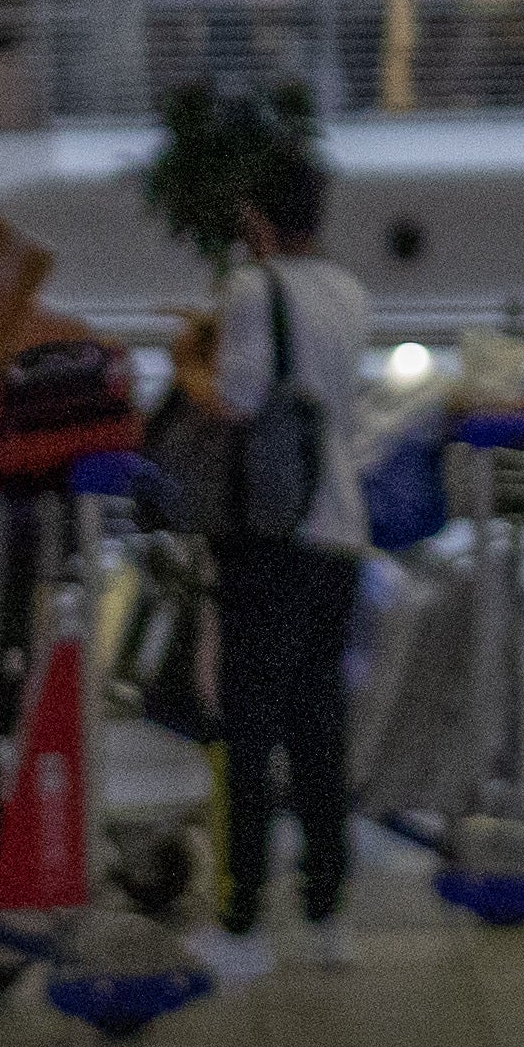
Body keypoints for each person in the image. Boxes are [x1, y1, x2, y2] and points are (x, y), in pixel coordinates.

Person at [200, 156, 381, 963]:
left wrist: (183, 368)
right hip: (341, 528)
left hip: (272, 532)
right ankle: (326, 914)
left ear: (256, 219)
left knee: (248, 726)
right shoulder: (350, 292)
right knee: (318, 726)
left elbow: (238, 402)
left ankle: (242, 918)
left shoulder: (251, 289)